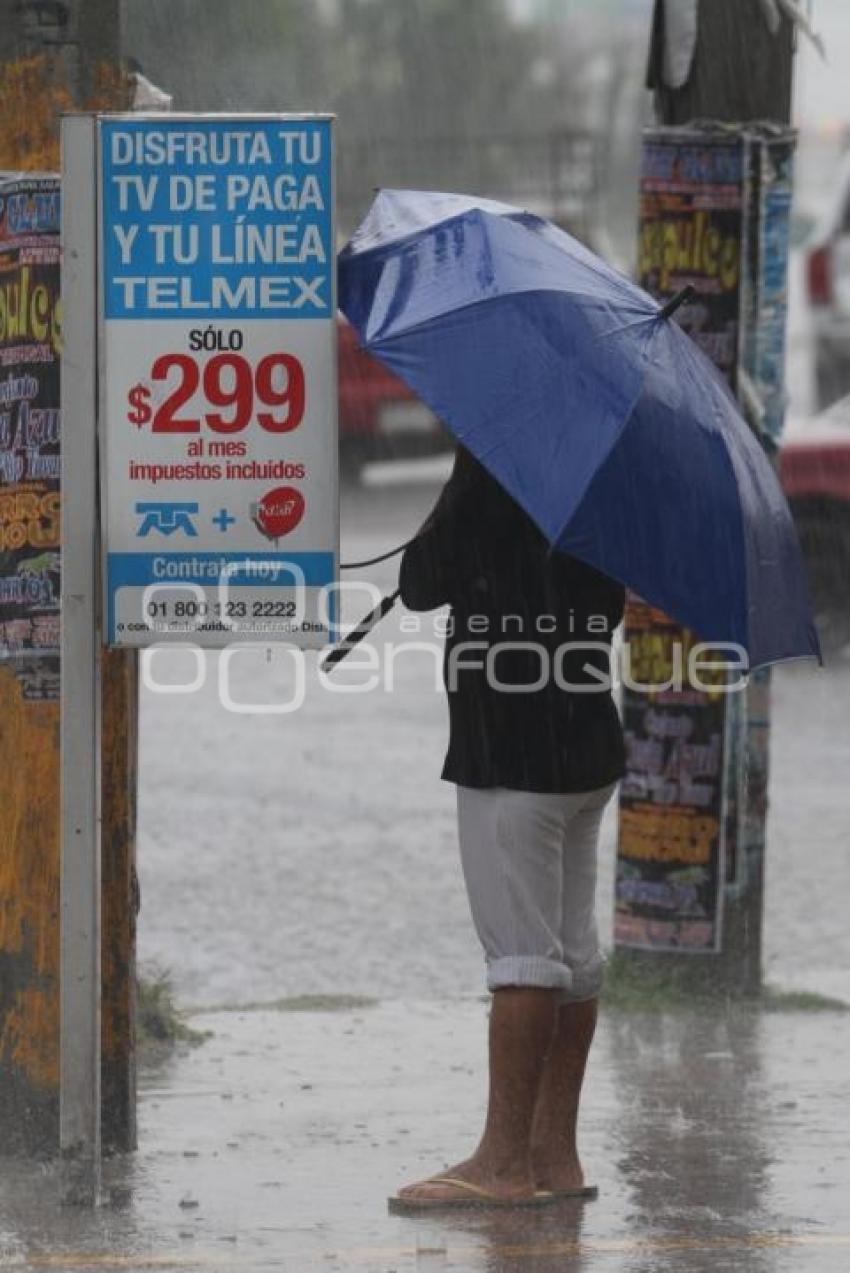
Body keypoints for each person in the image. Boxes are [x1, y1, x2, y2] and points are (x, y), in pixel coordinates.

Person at [390, 445, 626, 1213]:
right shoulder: (605, 462)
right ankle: (553, 1153)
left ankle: (501, 1162)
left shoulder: (495, 456)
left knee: (523, 957)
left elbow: (421, 583)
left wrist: (454, 486)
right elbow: (608, 602)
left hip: (512, 752)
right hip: (584, 742)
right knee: (572, 954)